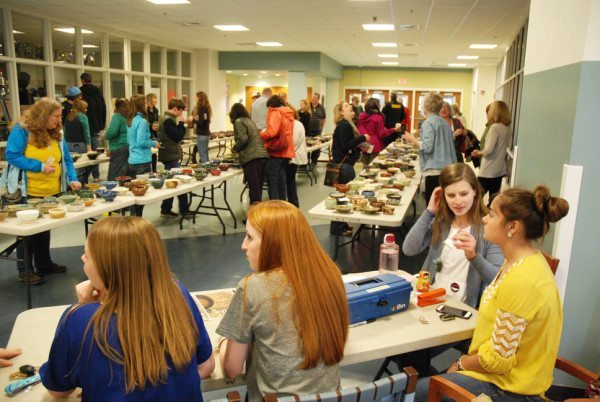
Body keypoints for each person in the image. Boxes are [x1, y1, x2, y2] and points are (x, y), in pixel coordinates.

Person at [415, 186, 569, 401]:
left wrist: (460, 364)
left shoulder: (522, 279)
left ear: (513, 227)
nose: (485, 219)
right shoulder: (519, 262)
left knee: (419, 391)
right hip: (500, 375)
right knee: (423, 379)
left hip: (511, 389)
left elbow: (497, 359)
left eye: (493, 214)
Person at [39, 217, 215, 400]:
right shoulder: (178, 294)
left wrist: (84, 307)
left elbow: (58, 390)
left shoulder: (79, 321)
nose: (82, 258)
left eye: (87, 255)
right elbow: (207, 365)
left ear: (106, 268)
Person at [216, 201, 349, 401]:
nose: (243, 245)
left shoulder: (253, 287)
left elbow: (231, 370)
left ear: (272, 243)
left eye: (250, 237)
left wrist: (224, 341)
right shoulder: (330, 276)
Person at [403, 163, 503, 307]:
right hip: (430, 300)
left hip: (462, 309)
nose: (457, 201)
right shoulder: (442, 222)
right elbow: (409, 249)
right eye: (450, 195)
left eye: (464, 194)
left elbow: (497, 279)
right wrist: (429, 212)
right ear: (443, 195)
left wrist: (474, 256)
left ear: (475, 191)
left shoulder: (488, 227)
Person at [5, 98, 81, 285]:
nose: (58, 120)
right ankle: (25, 270)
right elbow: (12, 155)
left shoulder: (57, 133)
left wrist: (73, 178)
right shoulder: (22, 130)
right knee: (28, 232)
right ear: (43, 115)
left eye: (59, 116)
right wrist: (38, 166)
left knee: (44, 228)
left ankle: (43, 264)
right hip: (28, 190)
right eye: (55, 116)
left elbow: (67, 159)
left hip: (51, 190)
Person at [402, 92, 457, 204]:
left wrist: (412, 139)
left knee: (433, 207)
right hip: (448, 170)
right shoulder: (444, 122)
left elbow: (427, 148)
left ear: (426, 107)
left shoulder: (428, 123)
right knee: (443, 207)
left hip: (434, 171)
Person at [330, 101, 370, 236]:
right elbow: (346, 145)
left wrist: (359, 145)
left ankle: (341, 225)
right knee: (343, 196)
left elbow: (347, 145)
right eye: (347, 106)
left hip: (345, 164)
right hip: (343, 166)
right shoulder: (344, 125)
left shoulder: (348, 125)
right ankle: (337, 228)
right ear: (341, 112)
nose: (351, 107)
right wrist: (362, 138)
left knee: (343, 195)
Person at [472, 100, 512, 206]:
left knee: (475, 197)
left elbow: (489, 150)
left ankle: (475, 219)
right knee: (493, 200)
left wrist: (478, 153)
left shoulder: (494, 127)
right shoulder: (507, 128)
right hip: (499, 170)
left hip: (488, 170)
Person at [230, 103, 269, 205]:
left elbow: (243, 139)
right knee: (258, 188)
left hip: (253, 158)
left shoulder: (238, 121)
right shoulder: (249, 120)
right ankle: (257, 215)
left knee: (254, 190)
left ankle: (254, 217)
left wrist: (234, 149)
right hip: (262, 156)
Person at [158, 98, 190, 219]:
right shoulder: (168, 121)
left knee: (171, 184)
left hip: (169, 155)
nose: (181, 114)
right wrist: (182, 124)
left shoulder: (167, 119)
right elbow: (177, 136)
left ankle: (165, 210)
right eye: (180, 111)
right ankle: (184, 210)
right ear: (175, 108)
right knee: (180, 183)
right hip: (170, 156)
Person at [259, 95, 295, 201]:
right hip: (286, 150)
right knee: (281, 179)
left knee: (273, 180)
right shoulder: (287, 113)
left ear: (271, 105)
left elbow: (272, 132)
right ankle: (282, 204)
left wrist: (262, 134)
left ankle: (275, 206)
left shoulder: (275, 112)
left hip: (276, 151)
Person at [80, 72, 106, 182]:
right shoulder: (98, 92)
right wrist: (101, 125)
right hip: (95, 125)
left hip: (83, 126)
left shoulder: (80, 93)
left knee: (83, 153)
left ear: (82, 80)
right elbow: (103, 109)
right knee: (94, 152)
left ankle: (83, 176)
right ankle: (96, 176)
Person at [357, 97, 402, 162]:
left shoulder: (361, 115)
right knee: (373, 164)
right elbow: (382, 134)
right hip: (374, 144)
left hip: (364, 142)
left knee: (365, 165)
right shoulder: (378, 117)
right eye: (379, 104)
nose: (380, 106)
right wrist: (394, 129)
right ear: (376, 106)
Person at [127, 94, 158, 179]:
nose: (146, 104)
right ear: (141, 105)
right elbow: (141, 142)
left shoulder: (130, 120)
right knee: (146, 189)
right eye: (145, 103)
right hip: (142, 161)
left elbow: (129, 140)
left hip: (132, 160)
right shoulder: (142, 121)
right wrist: (154, 143)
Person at [103, 98, 130, 180]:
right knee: (125, 174)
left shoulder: (117, 116)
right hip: (128, 147)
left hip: (118, 148)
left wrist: (104, 136)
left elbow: (112, 132)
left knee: (114, 176)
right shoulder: (129, 117)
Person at [286, 106, 307, 208]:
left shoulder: (295, 124)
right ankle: (293, 205)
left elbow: (292, 142)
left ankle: (293, 205)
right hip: (293, 157)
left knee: (289, 183)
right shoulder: (299, 124)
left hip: (290, 157)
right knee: (291, 182)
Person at [189, 91, 212, 163]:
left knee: (202, 155)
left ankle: (205, 170)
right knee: (205, 153)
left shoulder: (201, 108)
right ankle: (208, 169)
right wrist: (196, 119)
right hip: (206, 134)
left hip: (202, 134)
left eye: (196, 97)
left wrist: (193, 119)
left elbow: (201, 123)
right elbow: (203, 120)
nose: (195, 98)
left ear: (199, 98)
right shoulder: (206, 107)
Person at [307, 93, 326, 167]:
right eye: (312, 97)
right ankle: (306, 162)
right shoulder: (308, 106)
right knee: (307, 146)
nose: (313, 99)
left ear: (318, 99)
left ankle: (314, 162)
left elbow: (324, 118)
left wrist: (322, 128)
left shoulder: (321, 107)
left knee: (317, 147)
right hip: (308, 130)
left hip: (317, 131)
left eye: (315, 98)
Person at [146, 93, 159, 172]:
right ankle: (148, 169)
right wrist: (151, 125)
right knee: (148, 152)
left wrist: (157, 126)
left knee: (154, 153)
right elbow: (144, 122)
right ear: (149, 101)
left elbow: (156, 120)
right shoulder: (145, 110)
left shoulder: (156, 110)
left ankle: (154, 170)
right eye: (154, 101)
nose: (155, 103)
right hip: (147, 132)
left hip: (154, 133)